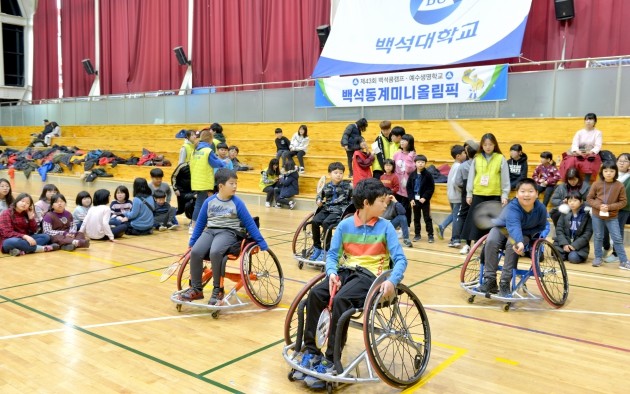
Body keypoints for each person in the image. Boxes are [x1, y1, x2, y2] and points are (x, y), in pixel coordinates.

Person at [291, 178, 407, 389]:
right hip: (345, 272)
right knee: (316, 295)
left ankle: (331, 359)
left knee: (342, 301)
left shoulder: (386, 227)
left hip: (371, 277)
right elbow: (333, 255)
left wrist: (392, 280)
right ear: (366, 203)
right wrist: (332, 272)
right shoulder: (344, 225)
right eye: (381, 201)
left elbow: (400, 260)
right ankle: (311, 351)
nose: (386, 204)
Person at [177, 168, 269, 305]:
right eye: (231, 183)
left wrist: (261, 242)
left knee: (216, 251)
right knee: (196, 251)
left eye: (236, 183)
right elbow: (201, 223)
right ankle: (196, 289)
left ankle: (218, 290)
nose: (235, 186)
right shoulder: (209, 202)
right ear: (221, 186)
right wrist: (192, 242)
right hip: (210, 231)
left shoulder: (237, 203)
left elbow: (249, 223)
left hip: (228, 232)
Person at [479, 178, 548, 296]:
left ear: (537, 193)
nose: (526, 194)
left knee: (512, 245)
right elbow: (514, 226)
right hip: (502, 227)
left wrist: (524, 237)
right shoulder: (513, 207)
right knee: (491, 240)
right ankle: (490, 280)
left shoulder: (541, 209)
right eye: (523, 191)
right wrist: (519, 241)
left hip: (525, 233)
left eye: (530, 191)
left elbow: (541, 226)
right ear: (516, 194)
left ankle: (505, 282)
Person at [460, 133, 510, 255]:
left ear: (495, 145)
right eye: (485, 144)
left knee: (492, 222)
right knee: (473, 220)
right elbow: (471, 177)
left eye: (490, 144)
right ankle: (468, 244)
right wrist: (469, 194)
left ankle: (489, 245)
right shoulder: (477, 159)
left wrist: (504, 195)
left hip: (494, 194)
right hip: (478, 193)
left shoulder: (500, 158)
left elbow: (505, 179)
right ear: (482, 145)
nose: (488, 147)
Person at [586, 161, 629, 268]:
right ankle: (598, 258)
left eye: (611, 171)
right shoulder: (596, 184)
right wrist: (599, 205)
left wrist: (609, 207)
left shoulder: (620, 185)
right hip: (597, 215)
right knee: (598, 236)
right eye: (606, 171)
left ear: (616, 172)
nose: (608, 173)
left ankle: (624, 261)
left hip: (612, 216)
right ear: (602, 172)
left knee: (617, 238)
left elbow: (623, 202)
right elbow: (589, 198)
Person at [309, 162, 353, 261]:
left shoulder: (348, 186)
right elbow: (319, 196)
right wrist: (318, 201)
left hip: (339, 211)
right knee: (315, 221)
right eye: (336, 172)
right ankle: (317, 247)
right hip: (327, 209)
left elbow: (354, 198)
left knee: (326, 223)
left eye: (341, 173)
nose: (338, 175)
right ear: (330, 174)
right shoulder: (326, 186)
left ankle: (326, 250)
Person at [189, 129, 225, 232]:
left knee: (204, 203)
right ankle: (193, 226)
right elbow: (216, 164)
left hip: (196, 180)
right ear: (211, 139)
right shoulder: (207, 151)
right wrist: (224, 163)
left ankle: (200, 224)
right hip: (204, 181)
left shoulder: (195, 150)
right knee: (200, 204)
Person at [560, 113, 603, 182]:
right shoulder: (579, 132)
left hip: (590, 153)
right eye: (586, 119)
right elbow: (574, 144)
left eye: (591, 119)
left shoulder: (598, 133)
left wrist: (590, 152)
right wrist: (578, 152)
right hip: (578, 152)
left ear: (595, 122)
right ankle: (568, 181)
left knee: (591, 161)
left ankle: (586, 183)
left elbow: (598, 146)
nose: (588, 121)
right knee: (570, 161)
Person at [451, 141, 478, 249]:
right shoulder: (479, 165)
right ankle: (477, 240)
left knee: (463, 216)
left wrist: (464, 190)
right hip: (478, 193)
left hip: (466, 193)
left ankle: (460, 241)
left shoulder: (463, 166)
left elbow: (457, 182)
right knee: (476, 215)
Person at [553, 191, 592, 264]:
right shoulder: (564, 213)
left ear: (581, 201)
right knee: (559, 257)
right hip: (564, 243)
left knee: (573, 258)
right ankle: (565, 252)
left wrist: (574, 246)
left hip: (579, 246)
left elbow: (587, 234)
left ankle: (570, 254)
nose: (572, 203)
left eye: (575, 200)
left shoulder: (587, 215)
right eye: (570, 201)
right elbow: (559, 229)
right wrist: (564, 244)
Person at [436, 145, 466, 242]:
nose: (465, 155)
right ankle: (455, 239)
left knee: (454, 214)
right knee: (457, 216)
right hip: (457, 196)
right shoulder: (459, 167)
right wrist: (462, 192)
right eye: (464, 153)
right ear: (458, 156)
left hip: (451, 195)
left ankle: (442, 226)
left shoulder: (454, 165)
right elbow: (456, 182)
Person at [406, 154, 435, 243]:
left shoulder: (428, 175)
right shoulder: (412, 175)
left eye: (422, 162)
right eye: (418, 162)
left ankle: (430, 235)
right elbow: (409, 188)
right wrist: (411, 199)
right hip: (415, 200)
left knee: (427, 218)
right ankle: (417, 234)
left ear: (425, 163)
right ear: (415, 163)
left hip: (424, 200)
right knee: (416, 218)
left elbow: (431, 188)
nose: (420, 164)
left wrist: (425, 197)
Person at [392, 133, 415, 224]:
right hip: (397, 186)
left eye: (405, 140)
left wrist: (409, 157)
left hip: (407, 187)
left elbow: (409, 169)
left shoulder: (413, 155)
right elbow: (394, 169)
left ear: (410, 143)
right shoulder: (397, 154)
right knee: (398, 206)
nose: (402, 142)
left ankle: (407, 226)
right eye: (402, 140)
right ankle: (399, 226)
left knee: (406, 208)